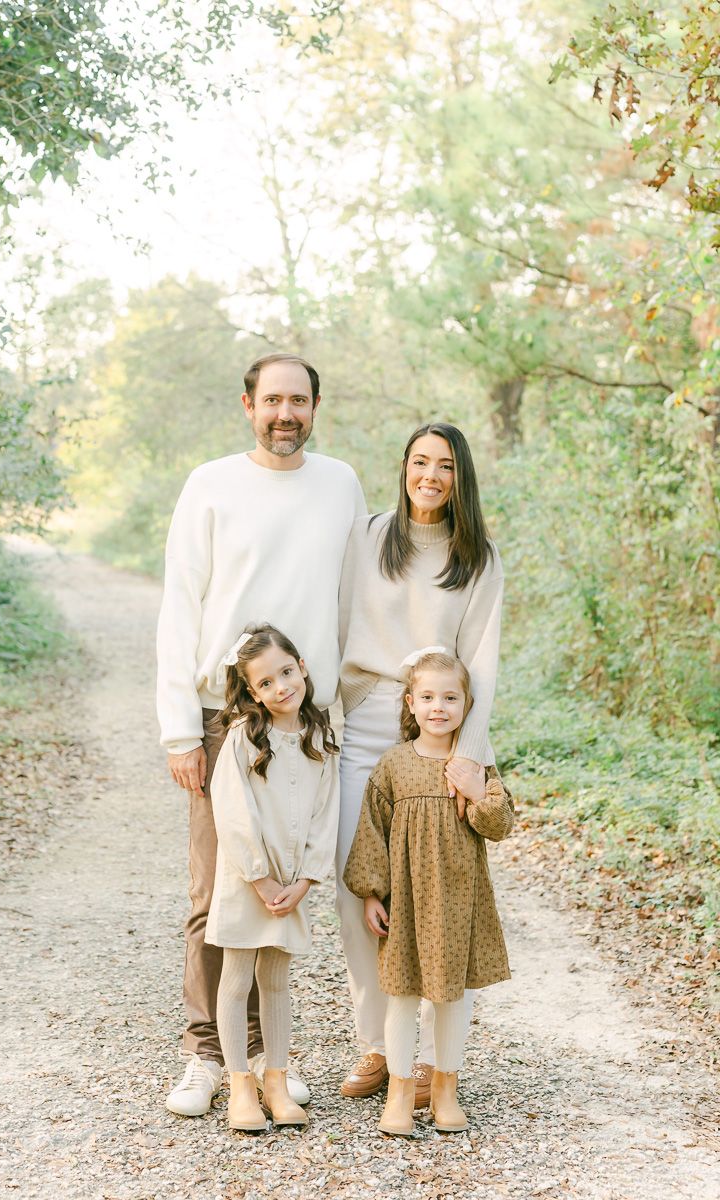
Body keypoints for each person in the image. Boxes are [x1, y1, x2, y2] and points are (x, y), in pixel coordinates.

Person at [157, 353, 366, 1117]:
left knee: (285, 887)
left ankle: (271, 1063)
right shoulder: (211, 484)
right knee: (217, 886)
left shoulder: (340, 483)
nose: (286, 413)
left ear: (316, 407)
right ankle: (208, 1058)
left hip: (308, 721)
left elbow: (353, 599)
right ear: (248, 405)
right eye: (272, 399)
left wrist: (352, 706)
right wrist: (180, 729)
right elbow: (181, 605)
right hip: (226, 720)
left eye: (299, 400)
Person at [336, 422, 504, 1106]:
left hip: (442, 726)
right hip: (370, 716)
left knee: (440, 895)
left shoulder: (479, 557)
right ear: (403, 467)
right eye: (419, 462)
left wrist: (469, 758)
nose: (430, 475)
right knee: (361, 891)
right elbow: (332, 620)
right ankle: (378, 1046)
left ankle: (437, 1061)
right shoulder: (368, 537)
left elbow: (483, 663)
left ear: (459, 477)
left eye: (444, 466)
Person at [343, 648, 513, 1136]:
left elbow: (500, 825)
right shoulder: (394, 764)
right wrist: (371, 894)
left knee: (451, 997)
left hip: (459, 898)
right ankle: (398, 1093)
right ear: (411, 703)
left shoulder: (473, 762)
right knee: (401, 993)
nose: (439, 707)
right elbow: (371, 831)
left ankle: (444, 1088)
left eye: (451, 697)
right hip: (407, 901)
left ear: (467, 704)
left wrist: (478, 789)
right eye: (428, 697)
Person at [206, 625, 339, 1131]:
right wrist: (260, 879)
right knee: (238, 979)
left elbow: (327, 814)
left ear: (302, 667)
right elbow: (233, 812)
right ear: (253, 692)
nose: (281, 687)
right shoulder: (244, 737)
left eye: (286, 672)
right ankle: (240, 1083)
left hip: (291, 883)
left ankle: (277, 1081)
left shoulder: (321, 737)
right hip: (249, 881)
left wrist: (305, 881)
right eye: (266, 683)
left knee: (278, 981)